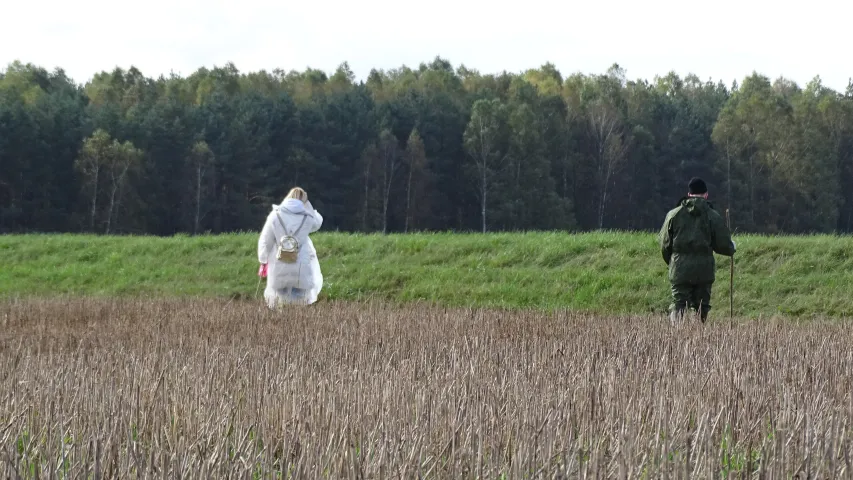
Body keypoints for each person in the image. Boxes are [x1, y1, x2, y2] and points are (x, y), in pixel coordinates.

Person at [659, 177, 736, 323]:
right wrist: (732, 248)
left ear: (689, 194)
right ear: (706, 195)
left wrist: (672, 263)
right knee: (702, 306)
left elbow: (664, 244)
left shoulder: (673, 215)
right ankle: (699, 334)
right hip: (704, 269)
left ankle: (676, 334)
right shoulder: (713, 216)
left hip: (679, 268)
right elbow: (723, 245)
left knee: (679, 304)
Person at [257, 187, 323, 307]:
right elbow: (318, 223)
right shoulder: (307, 217)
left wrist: (263, 259)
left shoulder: (275, 215)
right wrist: (308, 205)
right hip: (301, 267)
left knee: (280, 303)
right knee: (299, 305)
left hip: (279, 265)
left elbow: (266, 240)